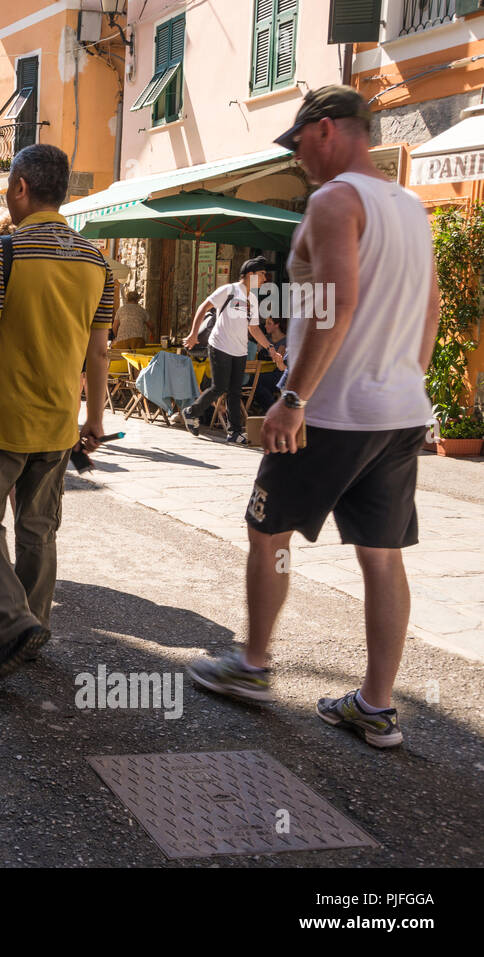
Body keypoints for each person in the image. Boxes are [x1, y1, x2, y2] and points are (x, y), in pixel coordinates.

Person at [187, 87, 439, 750]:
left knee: (266, 531)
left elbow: (335, 304)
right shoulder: (411, 207)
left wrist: (293, 398)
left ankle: (252, 664)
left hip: (331, 409)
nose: (298, 159)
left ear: (326, 130)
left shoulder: (335, 200)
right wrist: (405, 379)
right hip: (397, 409)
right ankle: (376, 707)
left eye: (298, 144)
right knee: (382, 557)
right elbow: (431, 309)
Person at [0, 143, 114, 681]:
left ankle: (13, 627)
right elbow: (99, 350)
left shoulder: (3, 254)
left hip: (0, 422)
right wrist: (96, 419)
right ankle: (31, 626)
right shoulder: (96, 261)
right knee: (38, 528)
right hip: (59, 422)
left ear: (20, 188)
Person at [181, 256, 285, 444]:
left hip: (240, 350)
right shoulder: (229, 290)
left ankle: (234, 432)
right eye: (262, 274)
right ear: (250, 274)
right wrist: (193, 334)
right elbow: (204, 307)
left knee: (236, 391)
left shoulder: (253, 299)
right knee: (220, 387)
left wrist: (270, 348)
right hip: (219, 345)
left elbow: (254, 329)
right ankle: (191, 412)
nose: (265, 279)